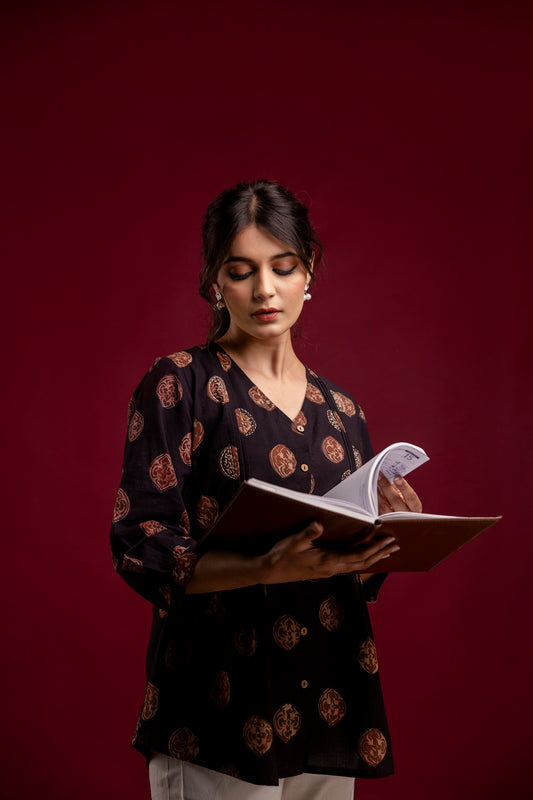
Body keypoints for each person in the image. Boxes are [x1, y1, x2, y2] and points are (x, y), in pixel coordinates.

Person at [110, 180, 422, 800]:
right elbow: (141, 542)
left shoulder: (342, 411)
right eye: (241, 270)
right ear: (213, 281)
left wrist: (392, 535)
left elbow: (349, 572)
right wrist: (264, 566)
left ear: (309, 273)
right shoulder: (180, 383)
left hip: (331, 693)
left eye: (283, 267)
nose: (264, 290)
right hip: (216, 702)